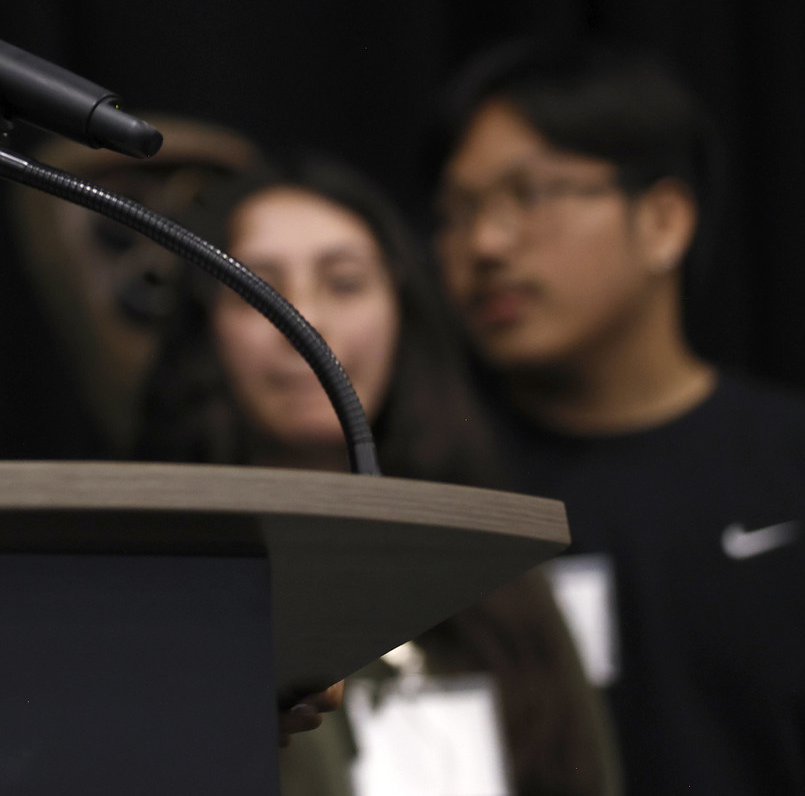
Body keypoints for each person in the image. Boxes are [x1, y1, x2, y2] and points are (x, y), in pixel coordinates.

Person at [431, 39, 805, 794]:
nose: (484, 243)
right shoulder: (438, 490)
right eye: (456, 212)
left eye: (530, 194)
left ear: (664, 222)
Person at [140, 153, 618, 796]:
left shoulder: (498, 564)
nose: (304, 321)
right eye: (261, 290)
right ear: (209, 331)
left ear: (402, 311)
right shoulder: (157, 585)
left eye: (343, 283)